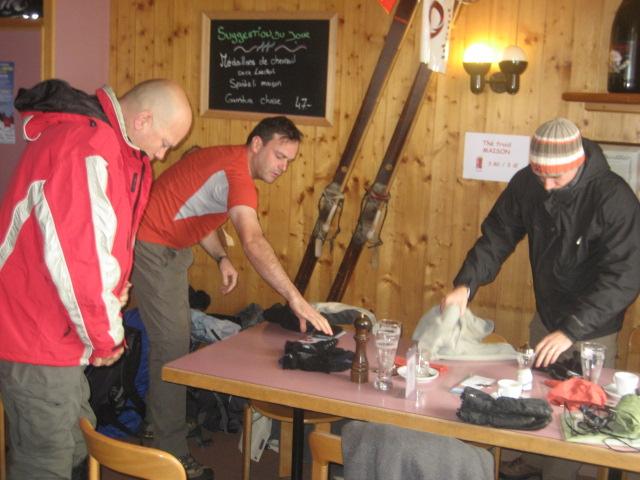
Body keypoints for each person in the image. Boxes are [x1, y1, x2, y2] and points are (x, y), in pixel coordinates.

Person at [0, 78, 192, 480]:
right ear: (143, 120)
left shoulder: (109, 145)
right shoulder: (86, 147)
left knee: (76, 441)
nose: (162, 155)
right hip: (33, 330)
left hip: (56, 325)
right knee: (46, 458)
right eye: (164, 143)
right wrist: (106, 338)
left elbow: (96, 246)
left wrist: (110, 295)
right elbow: (80, 263)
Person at [131, 116, 332, 480]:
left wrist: (221, 257)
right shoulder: (237, 174)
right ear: (257, 144)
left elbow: (198, 214)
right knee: (171, 348)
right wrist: (295, 298)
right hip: (152, 245)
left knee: (174, 343)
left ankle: (159, 423)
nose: (283, 167)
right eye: (279, 156)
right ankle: (167, 449)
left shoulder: (227, 163)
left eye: (289, 161)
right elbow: (253, 241)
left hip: (171, 247)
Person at [442, 117, 640, 480]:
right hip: (547, 314)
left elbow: (625, 278)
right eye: (540, 174)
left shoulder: (614, 199)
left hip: (593, 328)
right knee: (533, 393)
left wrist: (571, 330)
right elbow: (497, 237)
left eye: (556, 178)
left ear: (578, 163)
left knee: (575, 413)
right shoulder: (528, 183)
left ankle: (557, 474)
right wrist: (465, 285)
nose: (546, 186)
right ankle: (531, 463)